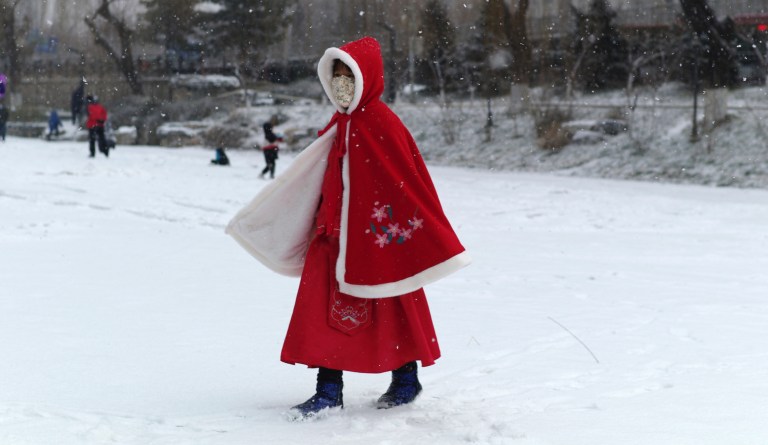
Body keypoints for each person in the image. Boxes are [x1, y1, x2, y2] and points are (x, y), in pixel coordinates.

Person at [226, 36, 470, 419]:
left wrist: (381, 233)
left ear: (366, 78)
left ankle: (406, 379)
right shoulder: (339, 122)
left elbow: (403, 184)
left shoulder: (382, 123)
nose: (342, 84)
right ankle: (328, 389)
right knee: (322, 315)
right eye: (336, 76)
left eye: (349, 76)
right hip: (332, 238)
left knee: (393, 307)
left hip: (376, 241)